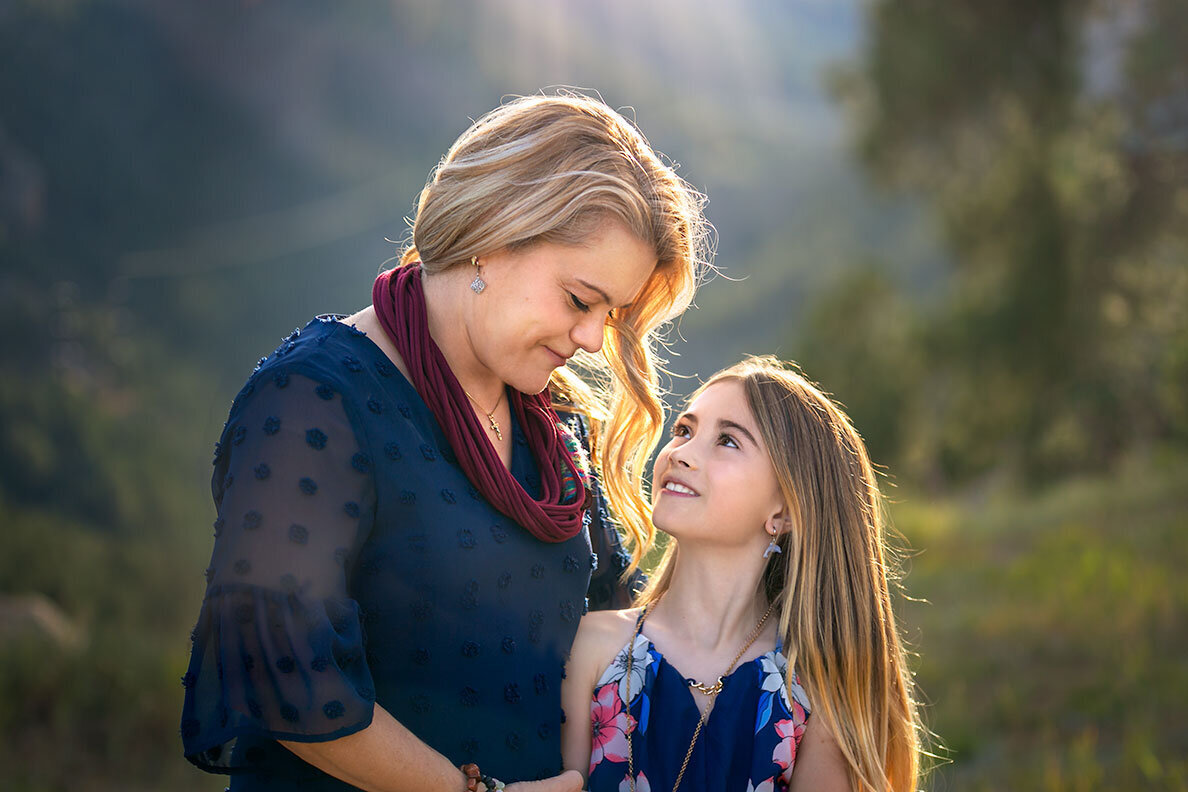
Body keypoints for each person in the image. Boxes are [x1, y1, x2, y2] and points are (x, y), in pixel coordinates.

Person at [180, 92, 712, 791]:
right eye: (581, 301)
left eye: (609, 316)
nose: (590, 339)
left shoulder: (554, 420)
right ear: (492, 234)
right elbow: (284, 675)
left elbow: (614, 632)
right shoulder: (314, 397)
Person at [561, 356, 922, 792]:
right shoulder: (593, 648)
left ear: (784, 509)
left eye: (728, 441)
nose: (681, 454)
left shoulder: (812, 689)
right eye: (684, 431)